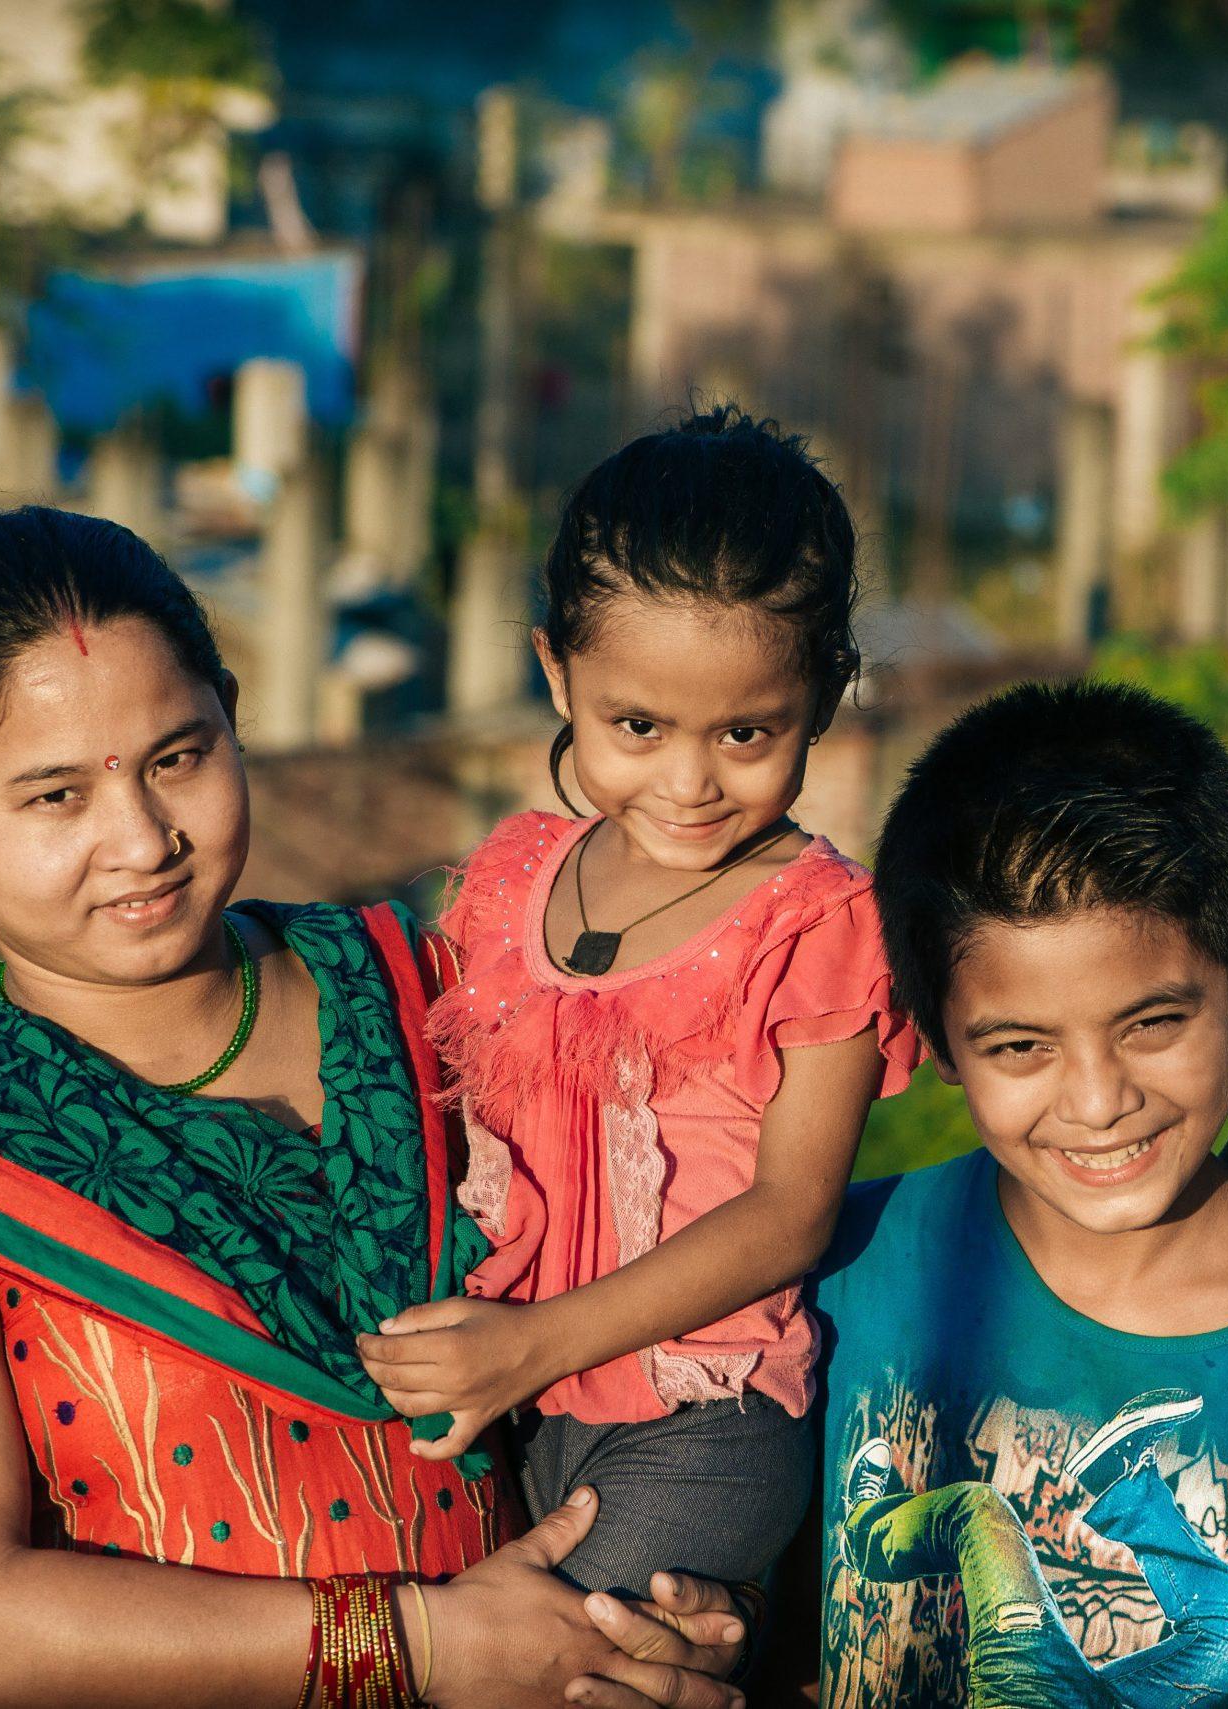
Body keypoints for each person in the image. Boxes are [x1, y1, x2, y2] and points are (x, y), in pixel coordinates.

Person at [0, 507, 746, 1709]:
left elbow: (677, 1282)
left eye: (177, 756)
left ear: (234, 721)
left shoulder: (437, 994)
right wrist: (430, 1648)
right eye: (52, 797)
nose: (139, 838)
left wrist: (677, 1604)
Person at [355, 407, 920, 1599]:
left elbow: (788, 1213)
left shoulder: (821, 923)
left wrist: (529, 1346)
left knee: (573, 1662)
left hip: (699, 1417)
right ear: (556, 667)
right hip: (501, 1397)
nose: (689, 779)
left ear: (826, 692)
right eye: (638, 725)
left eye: (746, 731)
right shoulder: (510, 877)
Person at [810, 681, 1228, 1709]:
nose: (1098, 1101)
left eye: (1151, 1025)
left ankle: (1119, 1494)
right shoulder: (846, 1266)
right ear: (936, 1036)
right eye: (1019, 1045)